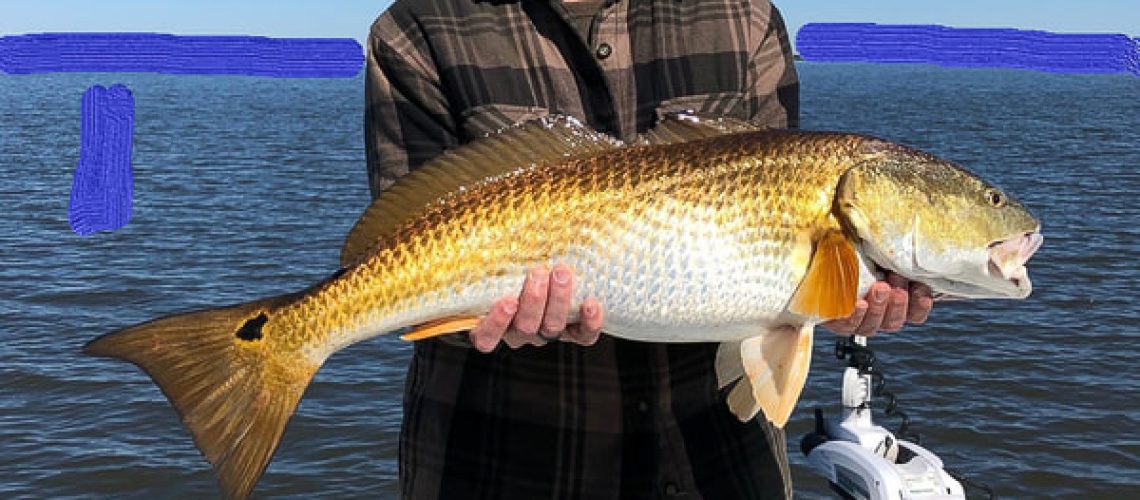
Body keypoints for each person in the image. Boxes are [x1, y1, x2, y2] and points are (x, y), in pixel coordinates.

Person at [364, 0, 934, 497]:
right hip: (500, 463)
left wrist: (831, 297)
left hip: (721, 466)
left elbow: (780, 251)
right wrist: (482, 318)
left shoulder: (744, 17)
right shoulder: (415, 31)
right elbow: (403, 247)